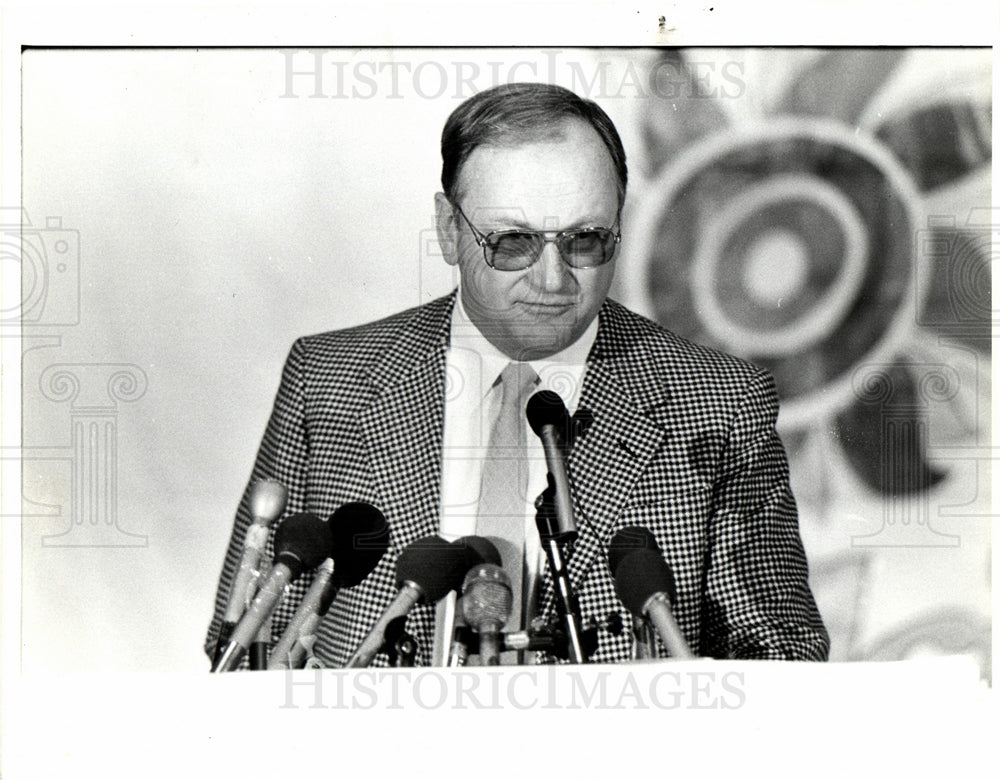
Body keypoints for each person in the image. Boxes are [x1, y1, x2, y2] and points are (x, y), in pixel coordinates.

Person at [206, 82, 829, 667]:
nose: (553, 280)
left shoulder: (719, 399)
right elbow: (242, 645)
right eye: (513, 243)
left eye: (585, 241)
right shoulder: (328, 380)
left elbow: (778, 661)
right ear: (450, 230)